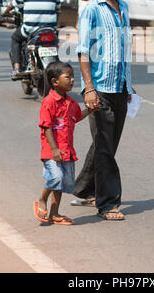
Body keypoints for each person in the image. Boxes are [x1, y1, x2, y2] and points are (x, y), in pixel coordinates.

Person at [71, 0, 134, 221]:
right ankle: (108, 203)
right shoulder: (91, 9)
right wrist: (89, 89)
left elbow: (124, 49)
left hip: (119, 86)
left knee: (106, 143)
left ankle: (84, 188)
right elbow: (84, 52)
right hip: (100, 87)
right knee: (106, 146)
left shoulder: (124, 7)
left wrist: (128, 84)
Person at [33, 61, 100, 225]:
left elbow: (76, 117)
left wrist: (90, 110)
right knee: (56, 178)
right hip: (53, 151)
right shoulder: (49, 102)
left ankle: (55, 213)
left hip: (68, 151)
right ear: (55, 81)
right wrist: (54, 149)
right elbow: (46, 126)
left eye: (72, 77)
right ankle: (42, 200)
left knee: (64, 183)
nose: (72, 80)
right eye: (68, 77)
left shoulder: (70, 102)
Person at [3, 0, 61, 80]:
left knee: (15, 38)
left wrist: (6, 11)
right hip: (50, 30)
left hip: (30, 29)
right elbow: (58, 7)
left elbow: (13, 5)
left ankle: (17, 68)